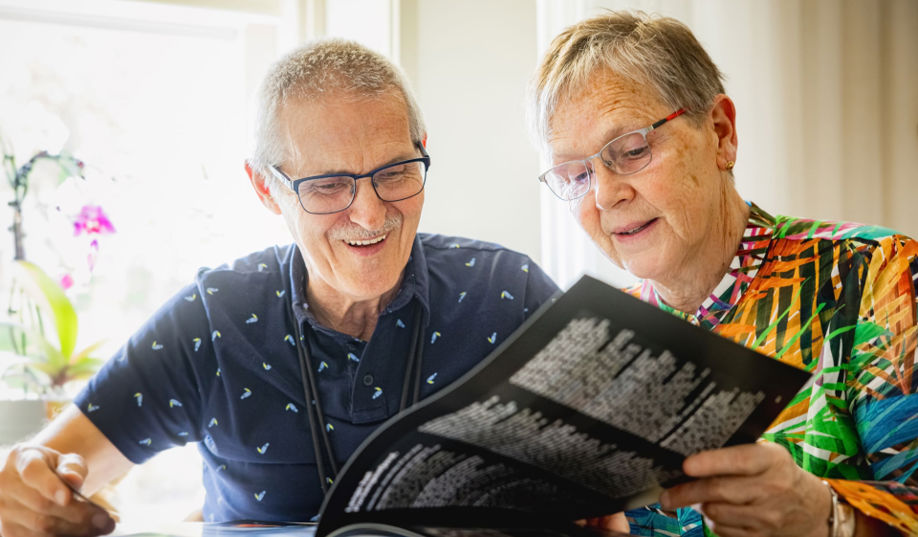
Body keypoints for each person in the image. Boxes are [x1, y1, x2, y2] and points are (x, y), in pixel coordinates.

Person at [0, 39, 559, 537]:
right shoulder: (212, 318)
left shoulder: (507, 290)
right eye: (328, 185)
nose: (369, 214)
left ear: (423, 148)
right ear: (266, 188)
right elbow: (43, 476)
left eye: (394, 172)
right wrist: (26, 495)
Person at [529, 11, 918, 537]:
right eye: (576, 174)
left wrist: (827, 519)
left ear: (721, 133)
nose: (604, 195)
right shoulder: (601, 340)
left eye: (632, 151)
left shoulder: (873, 272)